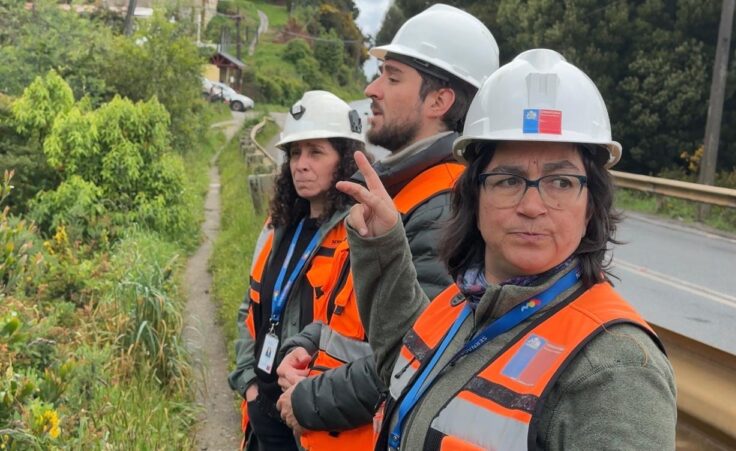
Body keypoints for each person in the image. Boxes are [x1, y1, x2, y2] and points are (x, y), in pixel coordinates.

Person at [336, 49, 678, 450]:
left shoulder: (615, 368)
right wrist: (383, 246)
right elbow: (408, 369)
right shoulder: (463, 302)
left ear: (591, 205)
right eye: (508, 180)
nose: (532, 206)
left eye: (562, 182)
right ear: (474, 195)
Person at [274, 4, 499, 450]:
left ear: (439, 100)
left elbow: (416, 355)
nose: (371, 88)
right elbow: (358, 317)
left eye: (392, 77)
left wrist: (307, 399)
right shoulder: (400, 189)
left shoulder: (446, 206)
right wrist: (306, 341)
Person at [227, 90, 368, 451]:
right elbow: (250, 306)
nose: (300, 164)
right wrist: (250, 383)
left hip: (313, 421)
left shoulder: (362, 234)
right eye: (294, 153)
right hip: (262, 414)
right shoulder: (277, 227)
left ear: (345, 160)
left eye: (316, 152)